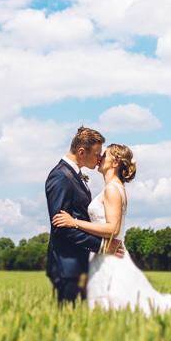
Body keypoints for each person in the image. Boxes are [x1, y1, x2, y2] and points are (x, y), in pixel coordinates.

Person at [52, 143, 171, 317]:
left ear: (115, 163)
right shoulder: (112, 187)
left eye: (106, 155)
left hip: (111, 259)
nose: (100, 157)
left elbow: (112, 229)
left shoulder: (112, 189)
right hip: (104, 256)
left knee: (118, 307)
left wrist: (75, 223)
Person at [45, 127, 124, 305]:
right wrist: (102, 246)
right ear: (82, 152)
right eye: (97, 153)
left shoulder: (75, 175)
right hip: (67, 266)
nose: (99, 158)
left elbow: (75, 219)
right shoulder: (60, 176)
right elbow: (60, 227)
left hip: (80, 264)